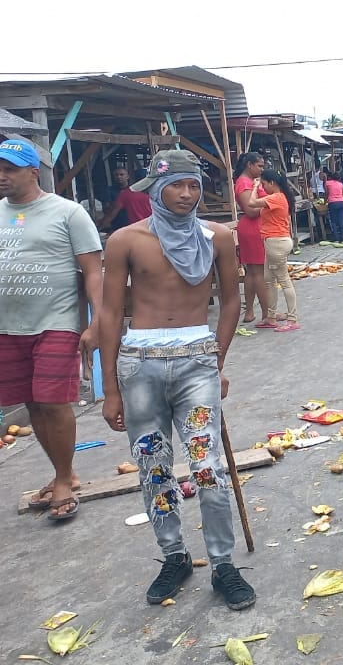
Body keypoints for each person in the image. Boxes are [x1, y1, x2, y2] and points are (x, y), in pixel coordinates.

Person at [98, 149, 255, 609]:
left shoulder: (218, 237)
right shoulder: (126, 240)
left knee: (208, 467)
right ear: (155, 188)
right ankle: (174, 556)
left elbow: (230, 301)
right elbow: (109, 312)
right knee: (153, 467)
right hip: (139, 362)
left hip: (196, 362)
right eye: (175, 186)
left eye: (193, 186)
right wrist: (110, 388)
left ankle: (223, 564)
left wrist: (216, 360)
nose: (186, 195)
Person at [0, 139, 102, 521]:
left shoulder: (68, 213)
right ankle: (67, 472)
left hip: (55, 322)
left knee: (53, 401)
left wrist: (97, 322)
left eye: (9, 168)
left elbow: (93, 271)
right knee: (31, 401)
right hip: (8, 326)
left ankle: (62, 478)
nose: (2, 176)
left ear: (32, 171)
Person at [243, 170, 299, 331]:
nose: (263, 187)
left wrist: (254, 187)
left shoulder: (276, 197)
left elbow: (252, 203)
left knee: (283, 280)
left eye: (264, 184)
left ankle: (293, 319)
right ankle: (271, 316)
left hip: (277, 242)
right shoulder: (280, 197)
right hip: (274, 242)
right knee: (269, 279)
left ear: (272, 183)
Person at [233, 153, 269, 326]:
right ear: (249, 165)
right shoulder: (245, 183)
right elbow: (251, 210)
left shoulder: (247, 182)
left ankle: (250, 312)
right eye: (259, 166)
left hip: (251, 228)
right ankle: (267, 313)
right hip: (254, 228)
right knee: (259, 273)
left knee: (252, 272)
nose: (262, 169)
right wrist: (271, 205)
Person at [324, 169, 343, 242]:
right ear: (339, 178)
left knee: (333, 221)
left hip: (333, 203)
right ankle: (342, 237)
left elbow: (326, 194)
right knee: (341, 220)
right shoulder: (341, 184)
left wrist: (325, 202)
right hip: (341, 203)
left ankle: (336, 237)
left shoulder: (327, 183)